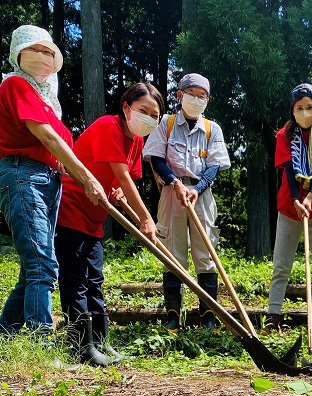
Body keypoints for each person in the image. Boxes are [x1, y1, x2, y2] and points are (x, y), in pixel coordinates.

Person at [0, 25, 106, 339]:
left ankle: (6, 333)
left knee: (34, 265)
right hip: (23, 175)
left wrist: (89, 178)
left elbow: (61, 147)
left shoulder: (47, 101)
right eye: (37, 48)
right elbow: (46, 137)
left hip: (47, 180)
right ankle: (40, 339)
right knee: (42, 263)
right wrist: (87, 179)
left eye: (50, 51)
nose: (44, 56)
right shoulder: (15, 85)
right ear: (19, 51)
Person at [55, 83, 164, 366]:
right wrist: (145, 218)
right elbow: (124, 176)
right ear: (126, 107)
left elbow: (121, 179)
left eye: (155, 115)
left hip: (95, 217)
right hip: (72, 208)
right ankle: (81, 347)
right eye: (144, 111)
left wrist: (115, 191)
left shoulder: (137, 141)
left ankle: (100, 342)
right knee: (76, 280)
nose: (149, 118)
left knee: (94, 279)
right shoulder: (108, 126)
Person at [143, 73, 230, 332]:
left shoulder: (212, 129)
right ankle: (172, 317)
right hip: (172, 193)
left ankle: (208, 318)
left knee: (207, 255)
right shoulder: (166, 124)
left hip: (201, 196)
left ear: (208, 100)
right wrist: (176, 184)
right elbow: (156, 158)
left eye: (201, 95)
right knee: (172, 253)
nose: (196, 99)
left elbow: (214, 165)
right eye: (191, 93)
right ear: (180, 95)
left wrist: (198, 188)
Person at [264, 83, 312, 335]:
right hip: (289, 208)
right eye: (299, 107)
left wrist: (309, 197)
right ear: (292, 110)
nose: (305, 111)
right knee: (281, 265)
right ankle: (272, 315)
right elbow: (287, 168)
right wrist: (297, 199)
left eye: (310, 107)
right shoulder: (283, 135)